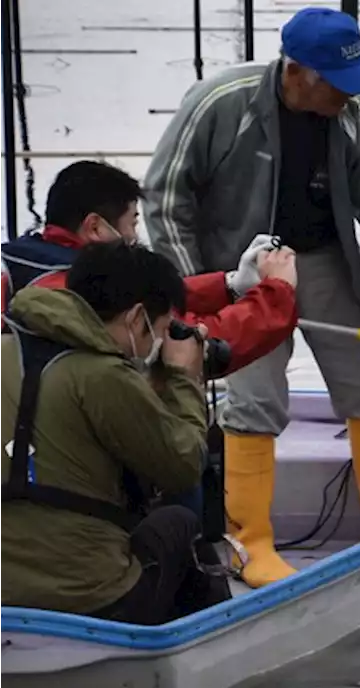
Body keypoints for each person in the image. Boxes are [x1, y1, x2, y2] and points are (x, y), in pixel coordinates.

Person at [142, 7, 360, 589]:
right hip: (237, 271)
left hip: (323, 257)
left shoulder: (353, 121)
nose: (350, 94)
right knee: (253, 398)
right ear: (297, 72)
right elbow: (164, 201)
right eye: (339, 83)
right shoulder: (220, 103)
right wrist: (190, 295)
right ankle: (251, 542)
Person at [0, 240, 230, 625]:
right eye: (160, 330)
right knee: (180, 522)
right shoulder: (104, 375)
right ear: (137, 317)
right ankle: (194, 654)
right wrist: (183, 378)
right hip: (90, 599)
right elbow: (184, 464)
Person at [0, 159, 300, 375]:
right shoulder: (82, 287)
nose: (134, 236)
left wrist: (229, 285)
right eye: (132, 222)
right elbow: (196, 340)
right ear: (95, 227)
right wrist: (277, 291)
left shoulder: (28, 260)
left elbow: (147, 295)